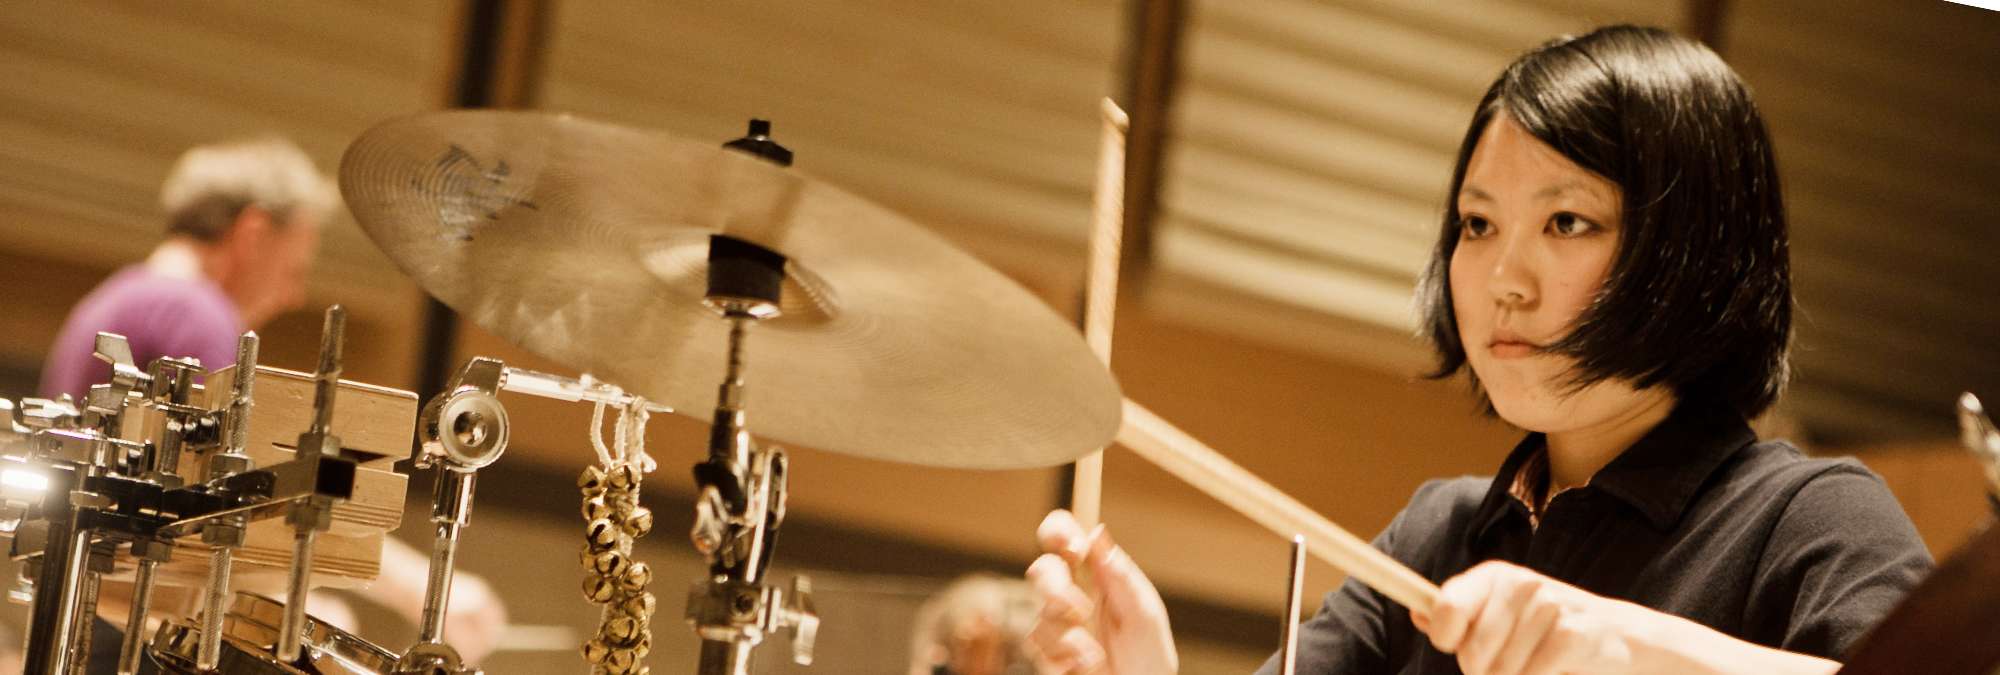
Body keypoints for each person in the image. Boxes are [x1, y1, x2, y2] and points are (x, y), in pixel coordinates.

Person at [1026, 25, 1932, 675]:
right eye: (1476, 223)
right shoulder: (1443, 534)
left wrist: (1625, 645)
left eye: (1566, 221)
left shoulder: (1810, 517)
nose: (1503, 277)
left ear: (1692, 251)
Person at [33, 137, 510, 670]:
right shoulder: (192, 312)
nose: (293, 296)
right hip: (122, 635)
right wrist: (419, 586)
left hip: (86, 616)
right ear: (254, 233)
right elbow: (251, 488)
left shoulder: (123, 296)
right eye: (293, 268)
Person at [909, 574, 1040, 675]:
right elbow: (919, 669)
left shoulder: (1025, 632)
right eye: (969, 648)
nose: (977, 666)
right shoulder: (937, 621)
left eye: (983, 649)